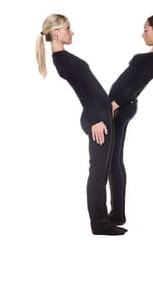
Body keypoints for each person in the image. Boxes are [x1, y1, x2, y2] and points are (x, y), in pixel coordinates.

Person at [36, 14, 125, 235]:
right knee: (98, 172)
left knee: (101, 170)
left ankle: (104, 220)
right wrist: (96, 119)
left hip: (100, 114)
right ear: (55, 32)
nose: (71, 32)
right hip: (97, 118)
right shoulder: (63, 59)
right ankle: (99, 223)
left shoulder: (65, 57)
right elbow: (82, 92)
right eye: (67, 28)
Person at [107, 14, 153, 226]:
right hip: (119, 106)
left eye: (146, 29)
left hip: (120, 108)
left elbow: (137, 82)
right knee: (112, 160)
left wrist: (115, 103)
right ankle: (117, 212)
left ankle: (118, 213)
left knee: (114, 160)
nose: (143, 33)